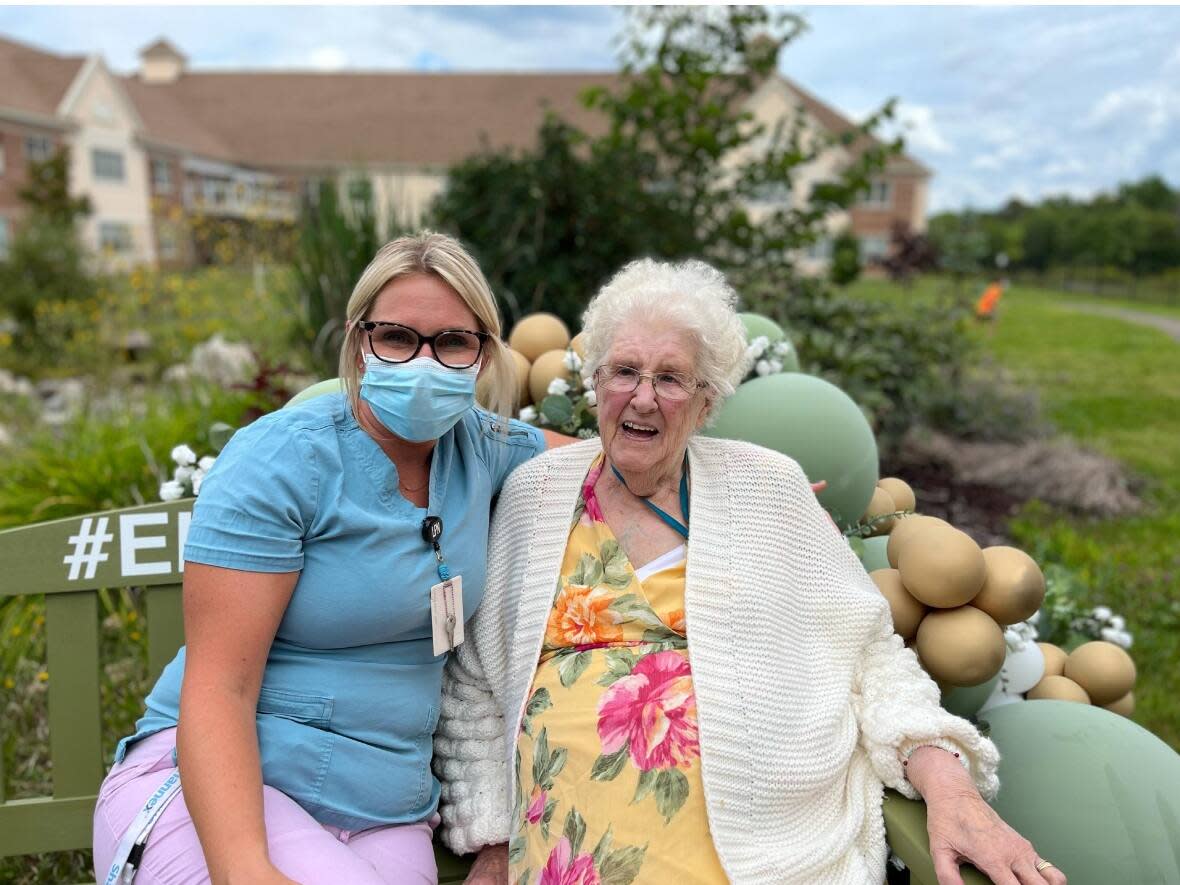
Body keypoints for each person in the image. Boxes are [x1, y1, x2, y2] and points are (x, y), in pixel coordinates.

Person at [433, 258, 1067, 885]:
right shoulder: (533, 497)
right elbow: (475, 686)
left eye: (672, 379)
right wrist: (491, 845)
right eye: (625, 371)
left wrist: (951, 786)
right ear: (597, 381)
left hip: (749, 852)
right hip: (559, 853)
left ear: (707, 402)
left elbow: (870, 654)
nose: (643, 398)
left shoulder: (768, 491)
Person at [92, 231, 572, 885]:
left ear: (484, 355)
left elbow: (604, 462)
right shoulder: (281, 459)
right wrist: (245, 871)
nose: (425, 363)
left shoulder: (483, 448)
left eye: (453, 342)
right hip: (224, 794)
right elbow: (218, 688)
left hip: (386, 814)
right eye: (398, 337)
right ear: (358, 340)